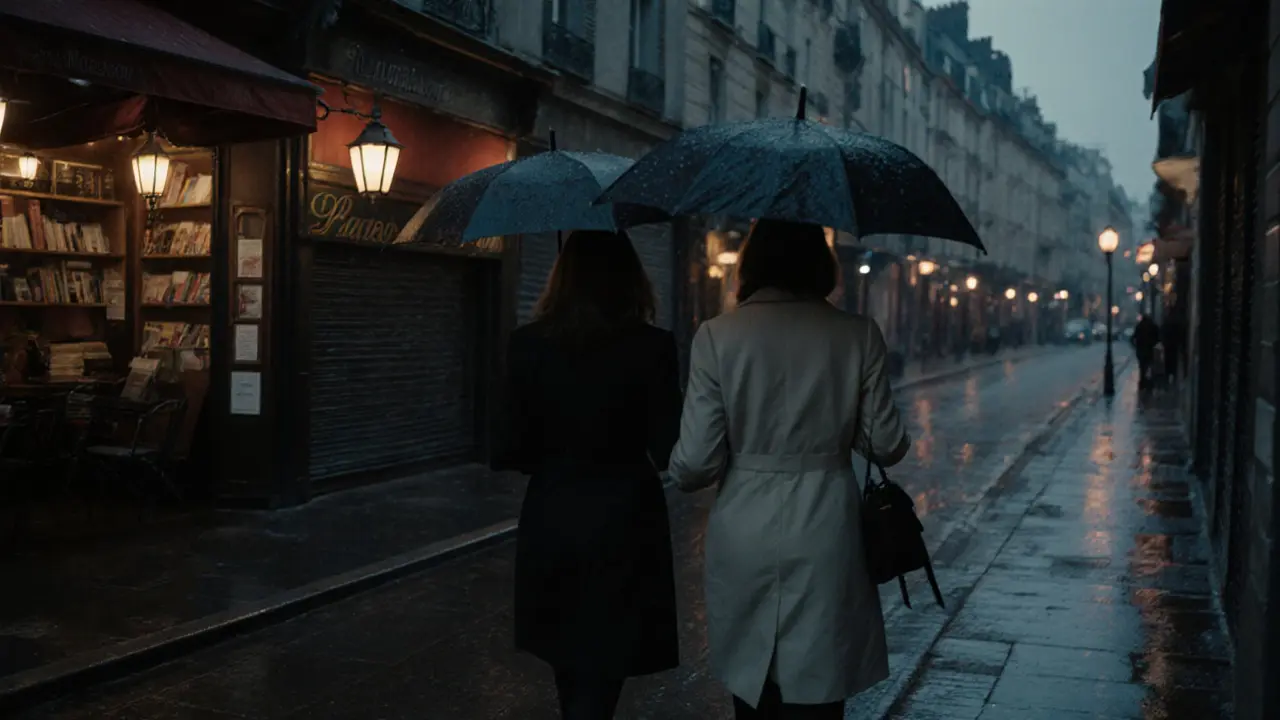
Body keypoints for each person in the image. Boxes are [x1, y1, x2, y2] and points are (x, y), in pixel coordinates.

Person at [669, 219, 911, 719]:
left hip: (745, 532)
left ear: (752, 264)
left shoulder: (717, 336)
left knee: (753, 691)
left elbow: (693, 464)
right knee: (820, 691)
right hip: (828, 529)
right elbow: (887, 445)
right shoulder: (856, 334)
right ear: (821, 264)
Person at [495, 230, 682, 720]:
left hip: (553, 509)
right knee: (607, 655)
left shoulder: (528, 344)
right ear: (631, 280)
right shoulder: (653, 347)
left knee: (567, 652)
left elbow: (509, 446)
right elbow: (668, 448)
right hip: (626, 514)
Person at [1132, 313, 1161, 391]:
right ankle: (1148, 383)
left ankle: (1143, 382)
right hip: (1149, 349)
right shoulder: (1153, 326)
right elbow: (1158, 337)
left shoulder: (1139, 326)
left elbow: (1133, 338)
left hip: (1141, 350)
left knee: (1142, 367)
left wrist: (1136, 346)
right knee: (1149, 366)